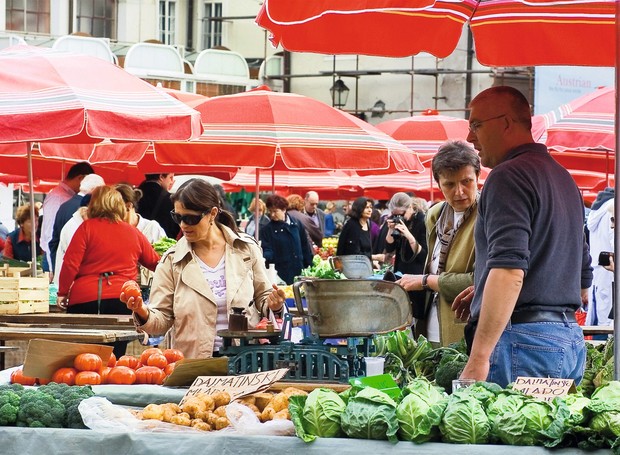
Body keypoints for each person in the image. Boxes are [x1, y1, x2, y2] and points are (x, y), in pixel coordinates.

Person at [455, 86, 592, 387]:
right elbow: (583, 277)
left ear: (506, 123)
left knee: (504, 435)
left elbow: (509, 270)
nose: (470, 138)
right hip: (567, 342)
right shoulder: (563, 178)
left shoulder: (507, 176)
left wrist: (479, 358)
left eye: (476, 125)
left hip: (523, 343)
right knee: (547, 434)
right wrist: (483, 289)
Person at [122, 179, 287, 359]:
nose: (183, 225)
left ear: (212, 213)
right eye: (177, 217)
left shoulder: (246, 249)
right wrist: (142, 311)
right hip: (191, 364)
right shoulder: (172, 260)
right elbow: (161, 320)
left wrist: (274, 305)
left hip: (243, 361)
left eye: (191, 218)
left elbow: (263, 298)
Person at [57, 185, 160, 357]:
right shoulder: (133, 232)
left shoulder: (86, 228)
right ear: (120, 206)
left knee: (83, 358)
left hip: (85, 299)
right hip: (122, 299)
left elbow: (70, 263)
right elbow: (155, 262)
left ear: (93, 206)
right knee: (115, 357)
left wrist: (62, 292)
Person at [397, 141, 479, 345]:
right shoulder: (435, 215)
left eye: (467, 181)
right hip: (431, 326)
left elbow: (483, 281)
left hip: (468, 330)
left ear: (478, 177)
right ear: (438, 183)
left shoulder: (488, 215)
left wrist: (426, 281)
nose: (459, 191)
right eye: (450, 184)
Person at [40, 161, 94, 272]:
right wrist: (52, 269)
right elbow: (50, 235)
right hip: (54, 258)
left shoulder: (67, 197)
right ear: (81, 178)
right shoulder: (57, 197)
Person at [48, 174, 105, 270]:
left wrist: (55, 267)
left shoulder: (63, 207)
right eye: (101, 191)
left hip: (61, 264)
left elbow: (54, 242)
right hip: (78, 269)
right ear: (95, 190)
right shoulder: (88, 209)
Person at [385, 194, 427, 321]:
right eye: (395, 214)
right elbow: (389, 249)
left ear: (410, 208)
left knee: (413, 317)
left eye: (401, 214)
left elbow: (424, 255)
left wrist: (408, 235)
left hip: (416, 276)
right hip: (400, 273)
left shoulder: (422, 221)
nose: (399, 217)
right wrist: (390, 231)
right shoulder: (400, 221)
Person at [261, 194, 313, 285]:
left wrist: (310, 267)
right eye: (270, 211)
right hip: (281, 276)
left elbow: (305, 247)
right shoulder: (266, 230)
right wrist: (265, 257)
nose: (272, 215)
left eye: (275, 211)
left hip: (299, 272)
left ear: (284, 210)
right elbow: (267, 249)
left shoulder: (296, 224)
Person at [585, 196, 614, 327]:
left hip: (597, 269)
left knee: (599, 313)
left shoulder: (596, 211)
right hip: (609, 270)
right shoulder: (613, 206)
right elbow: (614, 241)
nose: (613, 225)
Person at [137, 173, 179, 239]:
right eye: (170, 178)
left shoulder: (133, 196)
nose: (172, 182)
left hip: (137, 240)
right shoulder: (169, 199)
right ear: (161, 177)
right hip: (162, 244)